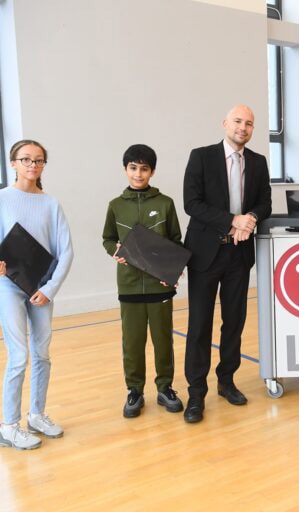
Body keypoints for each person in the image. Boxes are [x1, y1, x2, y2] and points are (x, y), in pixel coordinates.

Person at [0, 139, 75, 450]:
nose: (33, 165)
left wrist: (49, 289)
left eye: (39, 160)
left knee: (43, 354)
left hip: (41, 289)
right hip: (9, 285)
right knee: (19, 356)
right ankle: (8, 426)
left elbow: (66, 252)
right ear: (13, 163)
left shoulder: (51, 204)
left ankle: (37, 415)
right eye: (26, 159)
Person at [180, 105, 273, 424]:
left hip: (239, 254)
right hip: (206, 252)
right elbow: (192, 203)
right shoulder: (201, 156)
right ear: (224, 123)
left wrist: (251, 220)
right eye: (237, 121)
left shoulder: (259, 163)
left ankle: (226, 381)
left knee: (234, 322)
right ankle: (196, 392)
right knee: (200, 324)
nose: (242, 127)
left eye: (249, 123)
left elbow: (265, 202)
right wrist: (232, 220)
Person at [103, 144, 185, 419]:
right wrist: (113, 250)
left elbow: (175, 241)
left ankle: (165, 388)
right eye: (133, 168)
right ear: (125, 169)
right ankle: (134, 391)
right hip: (128, 285)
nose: (139, 174)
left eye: (144, 169)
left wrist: (172, 271)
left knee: (163, 341)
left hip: (159, 285)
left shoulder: (165, 204)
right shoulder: (115, 206)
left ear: (152, 171)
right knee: (133, 342)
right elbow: (107, 238)